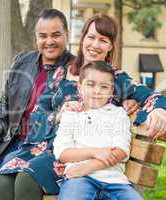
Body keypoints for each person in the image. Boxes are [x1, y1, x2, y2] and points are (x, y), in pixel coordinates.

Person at [0, 14, 166, 200]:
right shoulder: (63, 72)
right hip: (40, 145)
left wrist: (159, 110)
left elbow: (153, 96)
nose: (95, 45)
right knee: (1, 184)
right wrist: (59, 114)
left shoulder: (115, 79)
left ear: (110, 46)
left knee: (26, 181)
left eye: (103, 40)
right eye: (91, 37)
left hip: (74, 153)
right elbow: (40, 111)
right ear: (83, 38)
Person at [0, 9, 75, 200]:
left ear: (66, 35)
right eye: (43, 36)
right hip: (13, 142)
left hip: (46, 147)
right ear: (36, 37)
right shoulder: (22, 62)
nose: (49, 41)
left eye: (56, 35)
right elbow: (4, 105)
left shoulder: (75, 68)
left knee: (11, 171)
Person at [53, 60, 142, 200]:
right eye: (90, 84)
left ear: (111, 91)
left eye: (104, 87)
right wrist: (97, 152)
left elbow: (121, 150)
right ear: (79, 87)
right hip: (79, 180)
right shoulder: (71, 114)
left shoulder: (118, 114)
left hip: (115, 182)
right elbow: (62, 153)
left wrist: (87, 167)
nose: (97, 91)